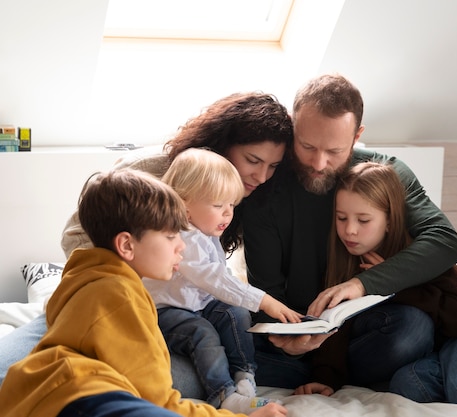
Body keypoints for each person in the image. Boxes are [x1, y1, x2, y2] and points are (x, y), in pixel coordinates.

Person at [0, 91, 293, 395]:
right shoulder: (154, 172)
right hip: (114, 305)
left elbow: (215, 273)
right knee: (17, 376)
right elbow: (76, 237)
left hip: (188, 312)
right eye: (253, 160)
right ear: (222, 145)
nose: (261, 176)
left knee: (224, 357)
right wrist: (131, 289)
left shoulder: (250, 197)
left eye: (273, 166)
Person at [0, 169, 288, 417]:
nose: (182, 247)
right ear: (126, 245)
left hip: (27, 391)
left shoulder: (84, 277)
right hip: (77, 399)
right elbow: (160, 402)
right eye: (171, 235)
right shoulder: (122, 298)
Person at [243, 73, 457, 389]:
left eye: (334, 150)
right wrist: (284, 339)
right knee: (230, 346)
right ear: (293, 125)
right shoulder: (265, 186)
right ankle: (323, 373)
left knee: (411, 330)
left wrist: (362, 284)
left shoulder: (385, 173)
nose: (318, 163)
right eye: (307, 145)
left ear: (357, 135)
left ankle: (331, 374)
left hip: (362, 332)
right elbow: (265, 293)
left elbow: (445, 241)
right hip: (296, 330)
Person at [293, 161, 457, 407]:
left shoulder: (419, 254)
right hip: (433, 346)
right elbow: (337, 324)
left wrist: (392, 285)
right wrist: (325, 377)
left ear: (390, 220)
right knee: (408, 385)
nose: (350, 231)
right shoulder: (341, 254)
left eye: (364, 220)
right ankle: (452, 374)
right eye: (341, 218)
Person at [146, 148, 301, 413]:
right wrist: (262, 300)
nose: (228, 214)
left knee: (235, 314)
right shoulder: (184, 237)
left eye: (231, 205)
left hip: (197, 306)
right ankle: (223, 395)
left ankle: (245, 376)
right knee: (202, 332)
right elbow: (213, 278)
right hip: (165, 312)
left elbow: (221, 277)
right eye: (219, 206)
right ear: (184, 205)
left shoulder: (206, 234)